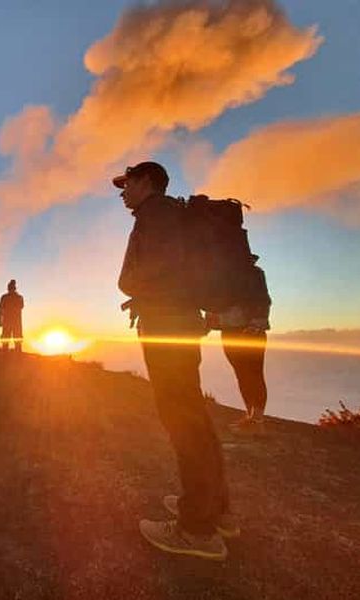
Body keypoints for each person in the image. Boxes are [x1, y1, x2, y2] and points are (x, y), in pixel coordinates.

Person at [115, 161, 236, 561]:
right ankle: (214, 510)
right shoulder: (172, 216)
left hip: (168, 328)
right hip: (179, 322)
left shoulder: (157, 215)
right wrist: (144, 295)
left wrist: (129, 285)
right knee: (193, 416)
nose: (122, 191)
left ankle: (196, 529)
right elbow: (174, 274)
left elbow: (155, 270)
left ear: (147, 182)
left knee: (182, 418)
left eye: (127, 183)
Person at [207, 255, 272, 429]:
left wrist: (256, 323)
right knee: (242, 373)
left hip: (249, 329)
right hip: (231, 329)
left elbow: (263, 300)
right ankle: (252, 416)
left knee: (253, 373)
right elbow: (213, 302)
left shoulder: (254, 274)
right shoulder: (222, 275)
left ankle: (256, 419)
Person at [0, 279, 24, 352]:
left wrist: (0, 320)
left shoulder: (5, 297)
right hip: (15, 322)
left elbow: (0, 309)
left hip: (8, 322)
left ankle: (7, 356)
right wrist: (0, 319)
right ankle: (16, 356)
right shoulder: (19, 297)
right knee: (16, 340)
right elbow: (21, 306)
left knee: (7, 340)